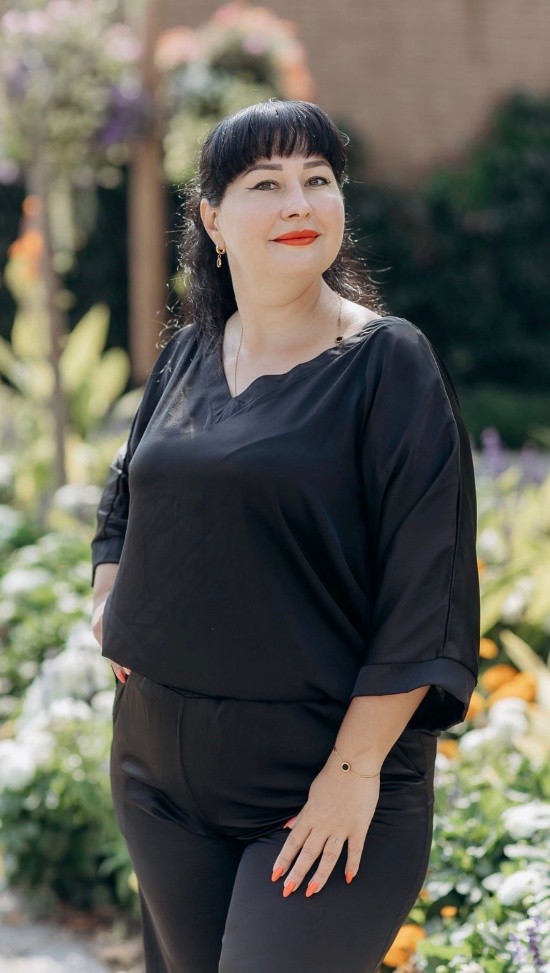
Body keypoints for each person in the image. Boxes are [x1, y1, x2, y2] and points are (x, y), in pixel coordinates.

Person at [91, 100, 480, 973]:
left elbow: (428, 587)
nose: (299, 203)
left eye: (318, 179)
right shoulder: (188, 354)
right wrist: (109, 593)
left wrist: (352, 770)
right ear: (213, 220)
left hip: (321, 787)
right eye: (266, 184)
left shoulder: (390, 363)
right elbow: (125, 491)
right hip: (158, 781)